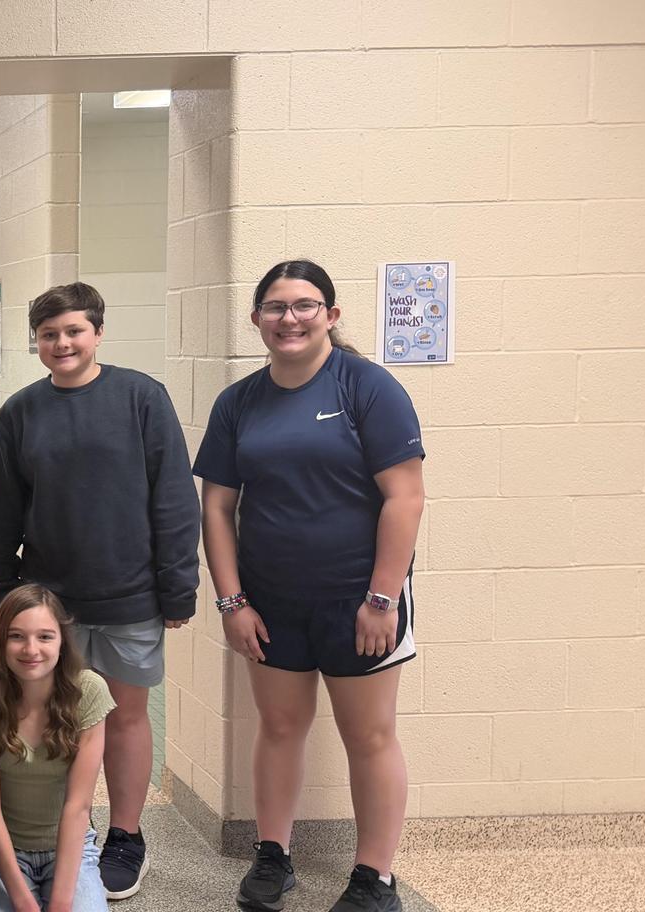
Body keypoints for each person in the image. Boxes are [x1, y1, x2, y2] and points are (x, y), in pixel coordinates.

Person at [195, 260, 424, 912]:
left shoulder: (367, 388)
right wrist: (232, 601)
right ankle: (274, 856)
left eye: (302, 305)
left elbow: (404, 498)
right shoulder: (239, 402)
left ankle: (374, 877)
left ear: (330, 313)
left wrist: (382, 598)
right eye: (274, 307)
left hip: (360, 603)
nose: (288, 318)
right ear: (256, 319)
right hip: (271, 603)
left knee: (370, 736)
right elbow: (216, 508)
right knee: (279, 726)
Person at [0, 282, 198, 899]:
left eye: (74, 330)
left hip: (130, 597)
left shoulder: (141, 398)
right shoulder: (21, 412)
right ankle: (70, 828)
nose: (62, 343)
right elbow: (2, 511)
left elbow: (175, 498)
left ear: (97, 332)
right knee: (55, 721)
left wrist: (178, 586)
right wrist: (4, 590)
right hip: (50, 607)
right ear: (36, 342)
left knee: (125, 718)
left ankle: (126, 834)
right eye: (49, 334)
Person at [0, 585, 114, 912]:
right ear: (1, 642)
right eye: (17, 636)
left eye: (45, 637)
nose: (31, 649)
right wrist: (23, 901)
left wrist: (61, 903)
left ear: (62, 642)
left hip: (69, 849)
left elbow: (78, 806)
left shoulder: (89, 691)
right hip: (2, 848)